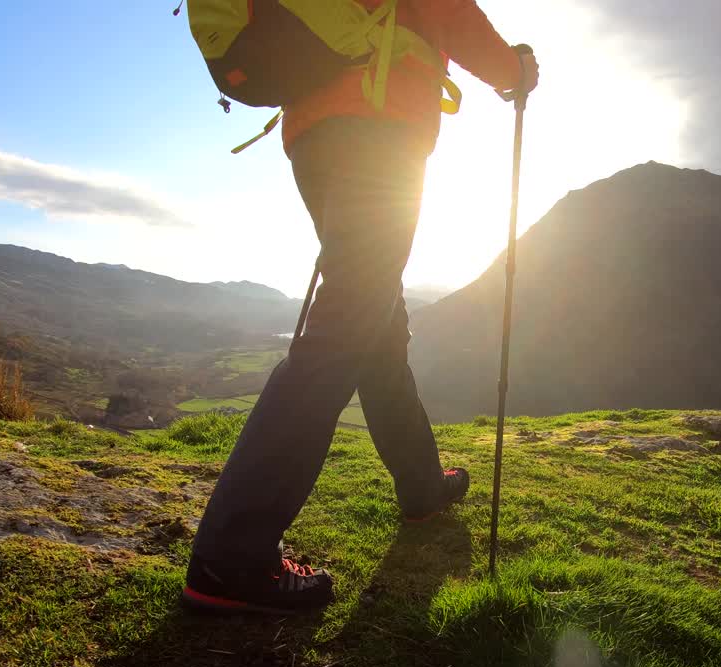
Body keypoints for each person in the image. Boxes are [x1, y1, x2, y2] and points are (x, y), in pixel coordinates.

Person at [183, 0, 540, 614]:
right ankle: (231, 557)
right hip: (382, 129)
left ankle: (421, 486)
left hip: (316, 134)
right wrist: (514, 69)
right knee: (347, 323)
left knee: (376, 317)